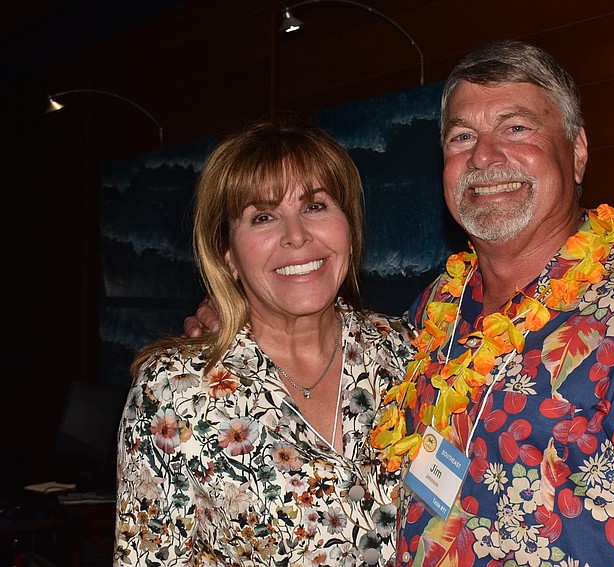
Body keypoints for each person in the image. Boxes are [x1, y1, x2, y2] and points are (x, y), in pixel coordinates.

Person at [187, 41, 614, 566]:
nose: (485, 157)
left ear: (576, 152)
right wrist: (239, 320)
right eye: (463, 136)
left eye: (516, 127)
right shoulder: (434, 311)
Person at [115, 114, 413, 566]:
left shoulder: (406, 353)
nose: (296, 236)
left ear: (349, 230)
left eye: (315, 206)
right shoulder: (172, 392)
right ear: (227, 254)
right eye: (263, 216)